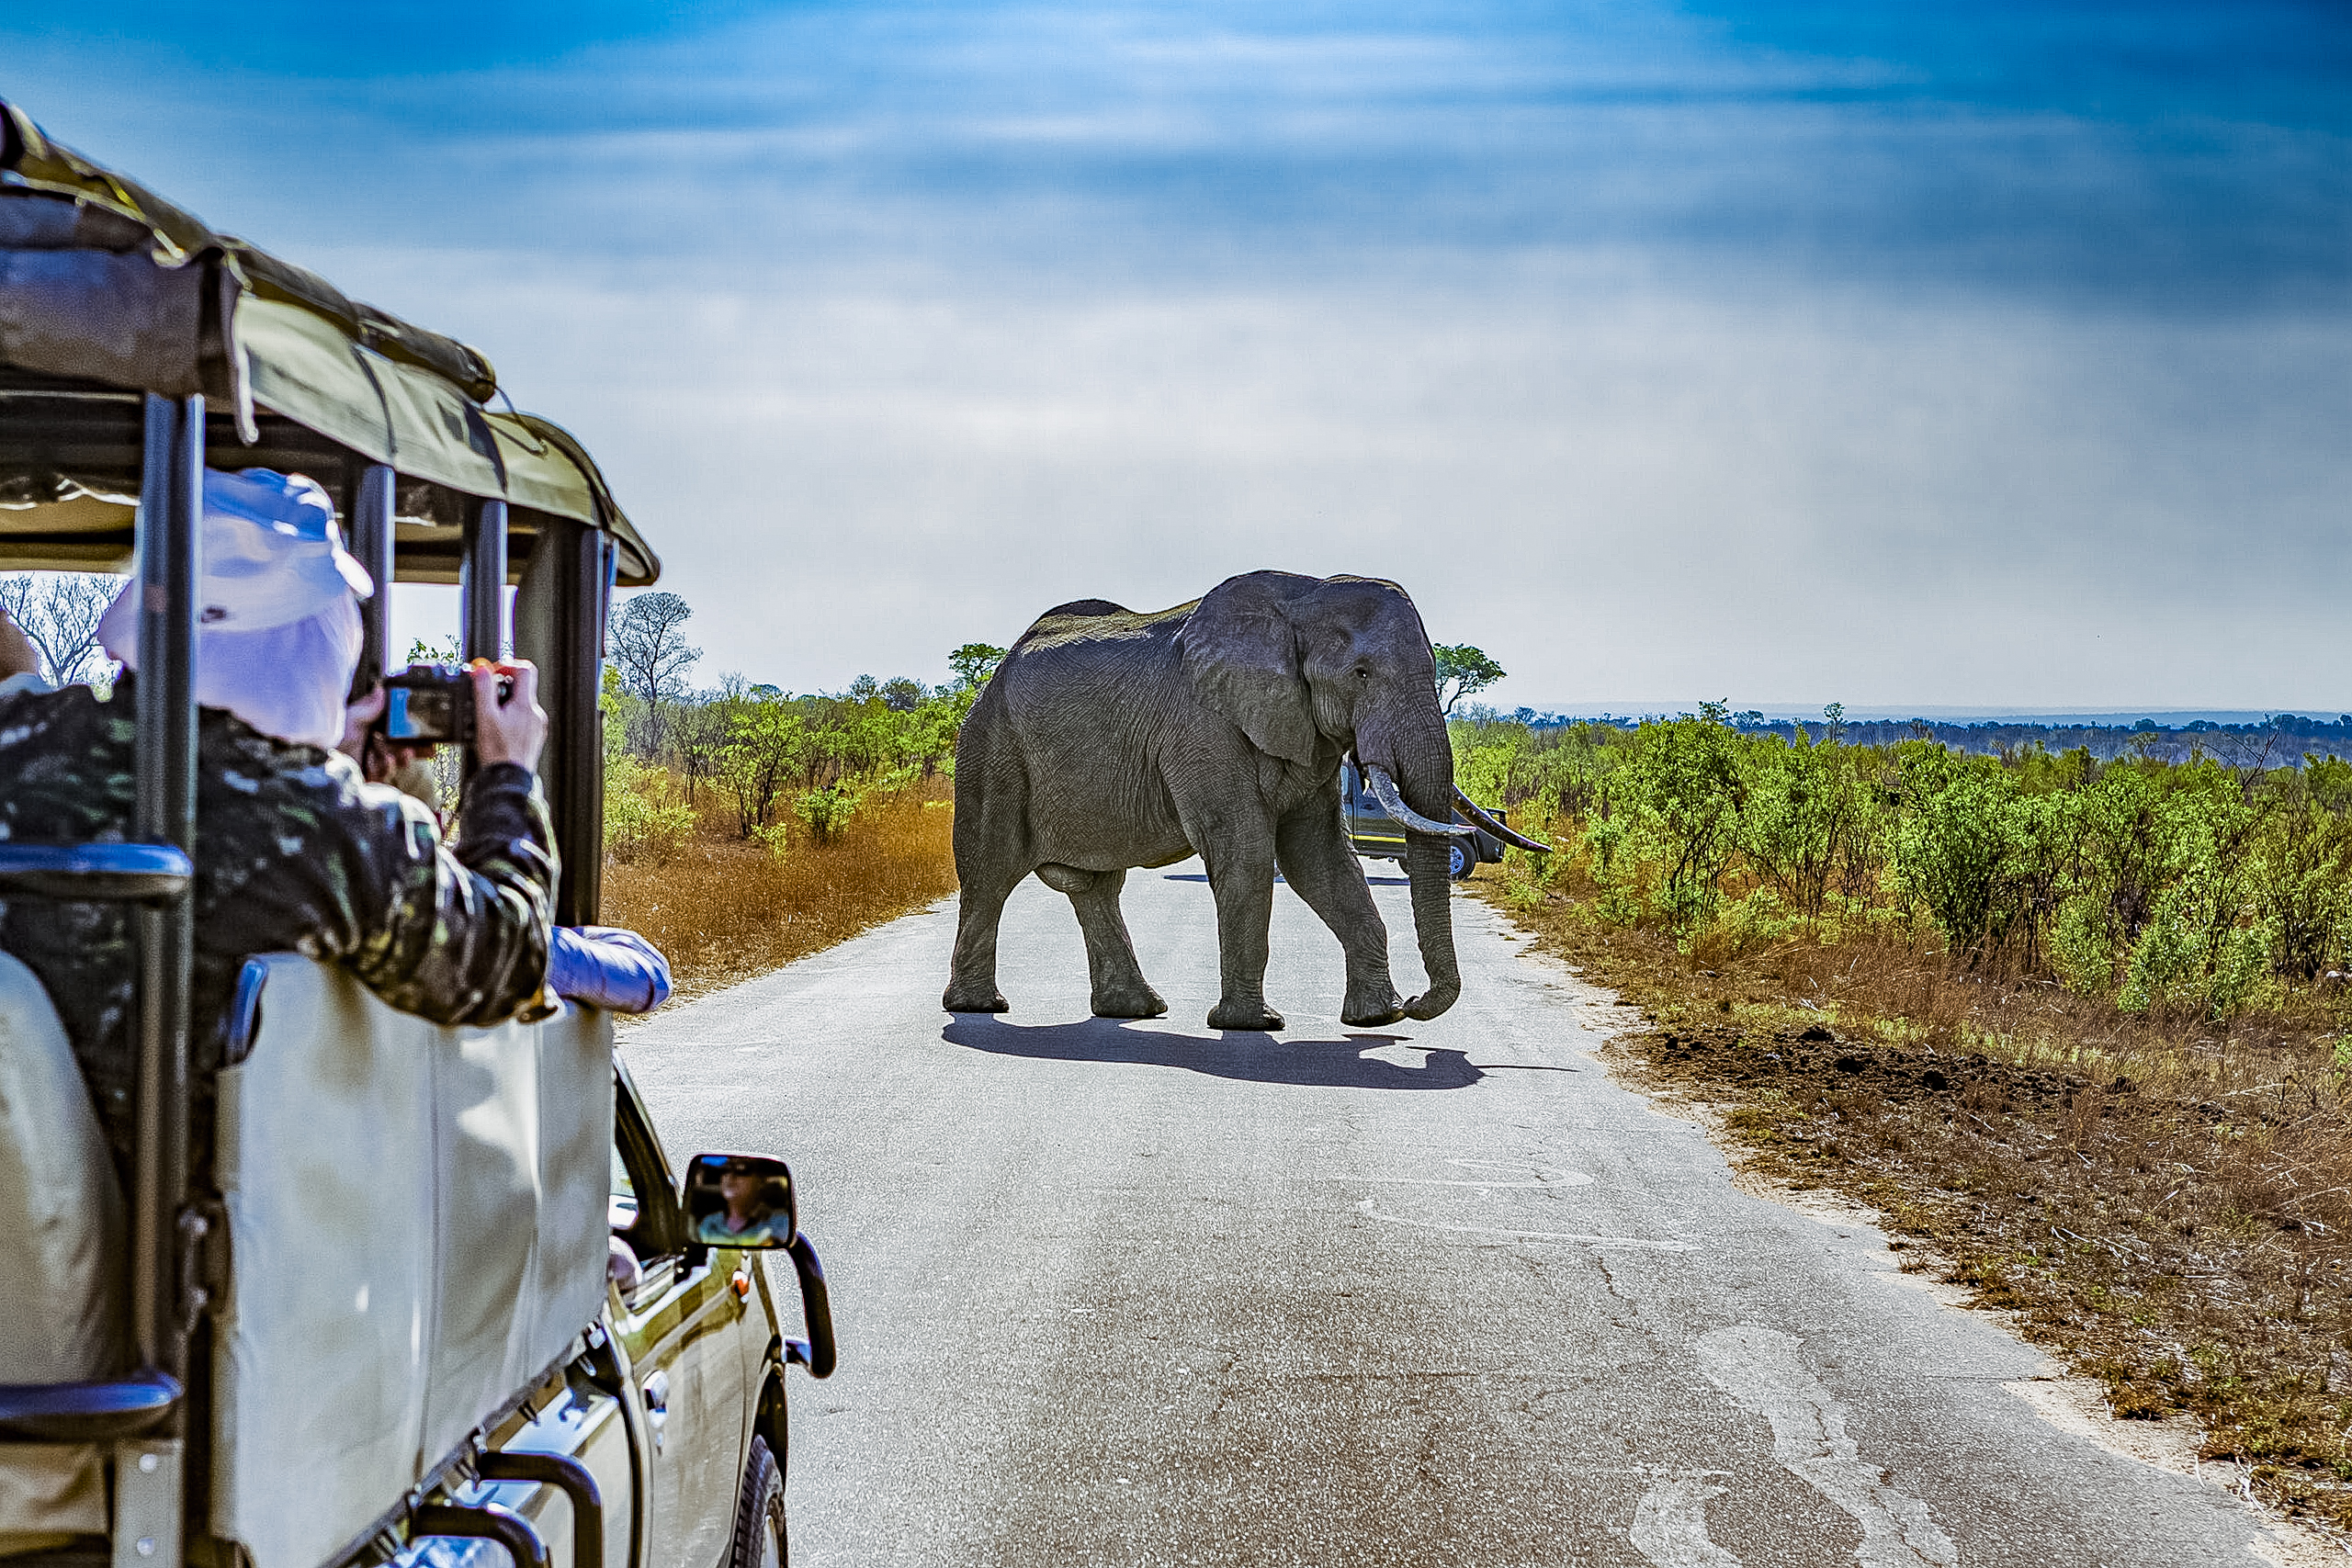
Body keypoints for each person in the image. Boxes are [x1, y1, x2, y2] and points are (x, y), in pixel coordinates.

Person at [0, 468, 556, 1190]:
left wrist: (324, 763)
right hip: (190, 1281)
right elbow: (507, 960)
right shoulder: (335, 829)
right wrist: (508, 775)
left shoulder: (18, 741)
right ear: (315, 634)